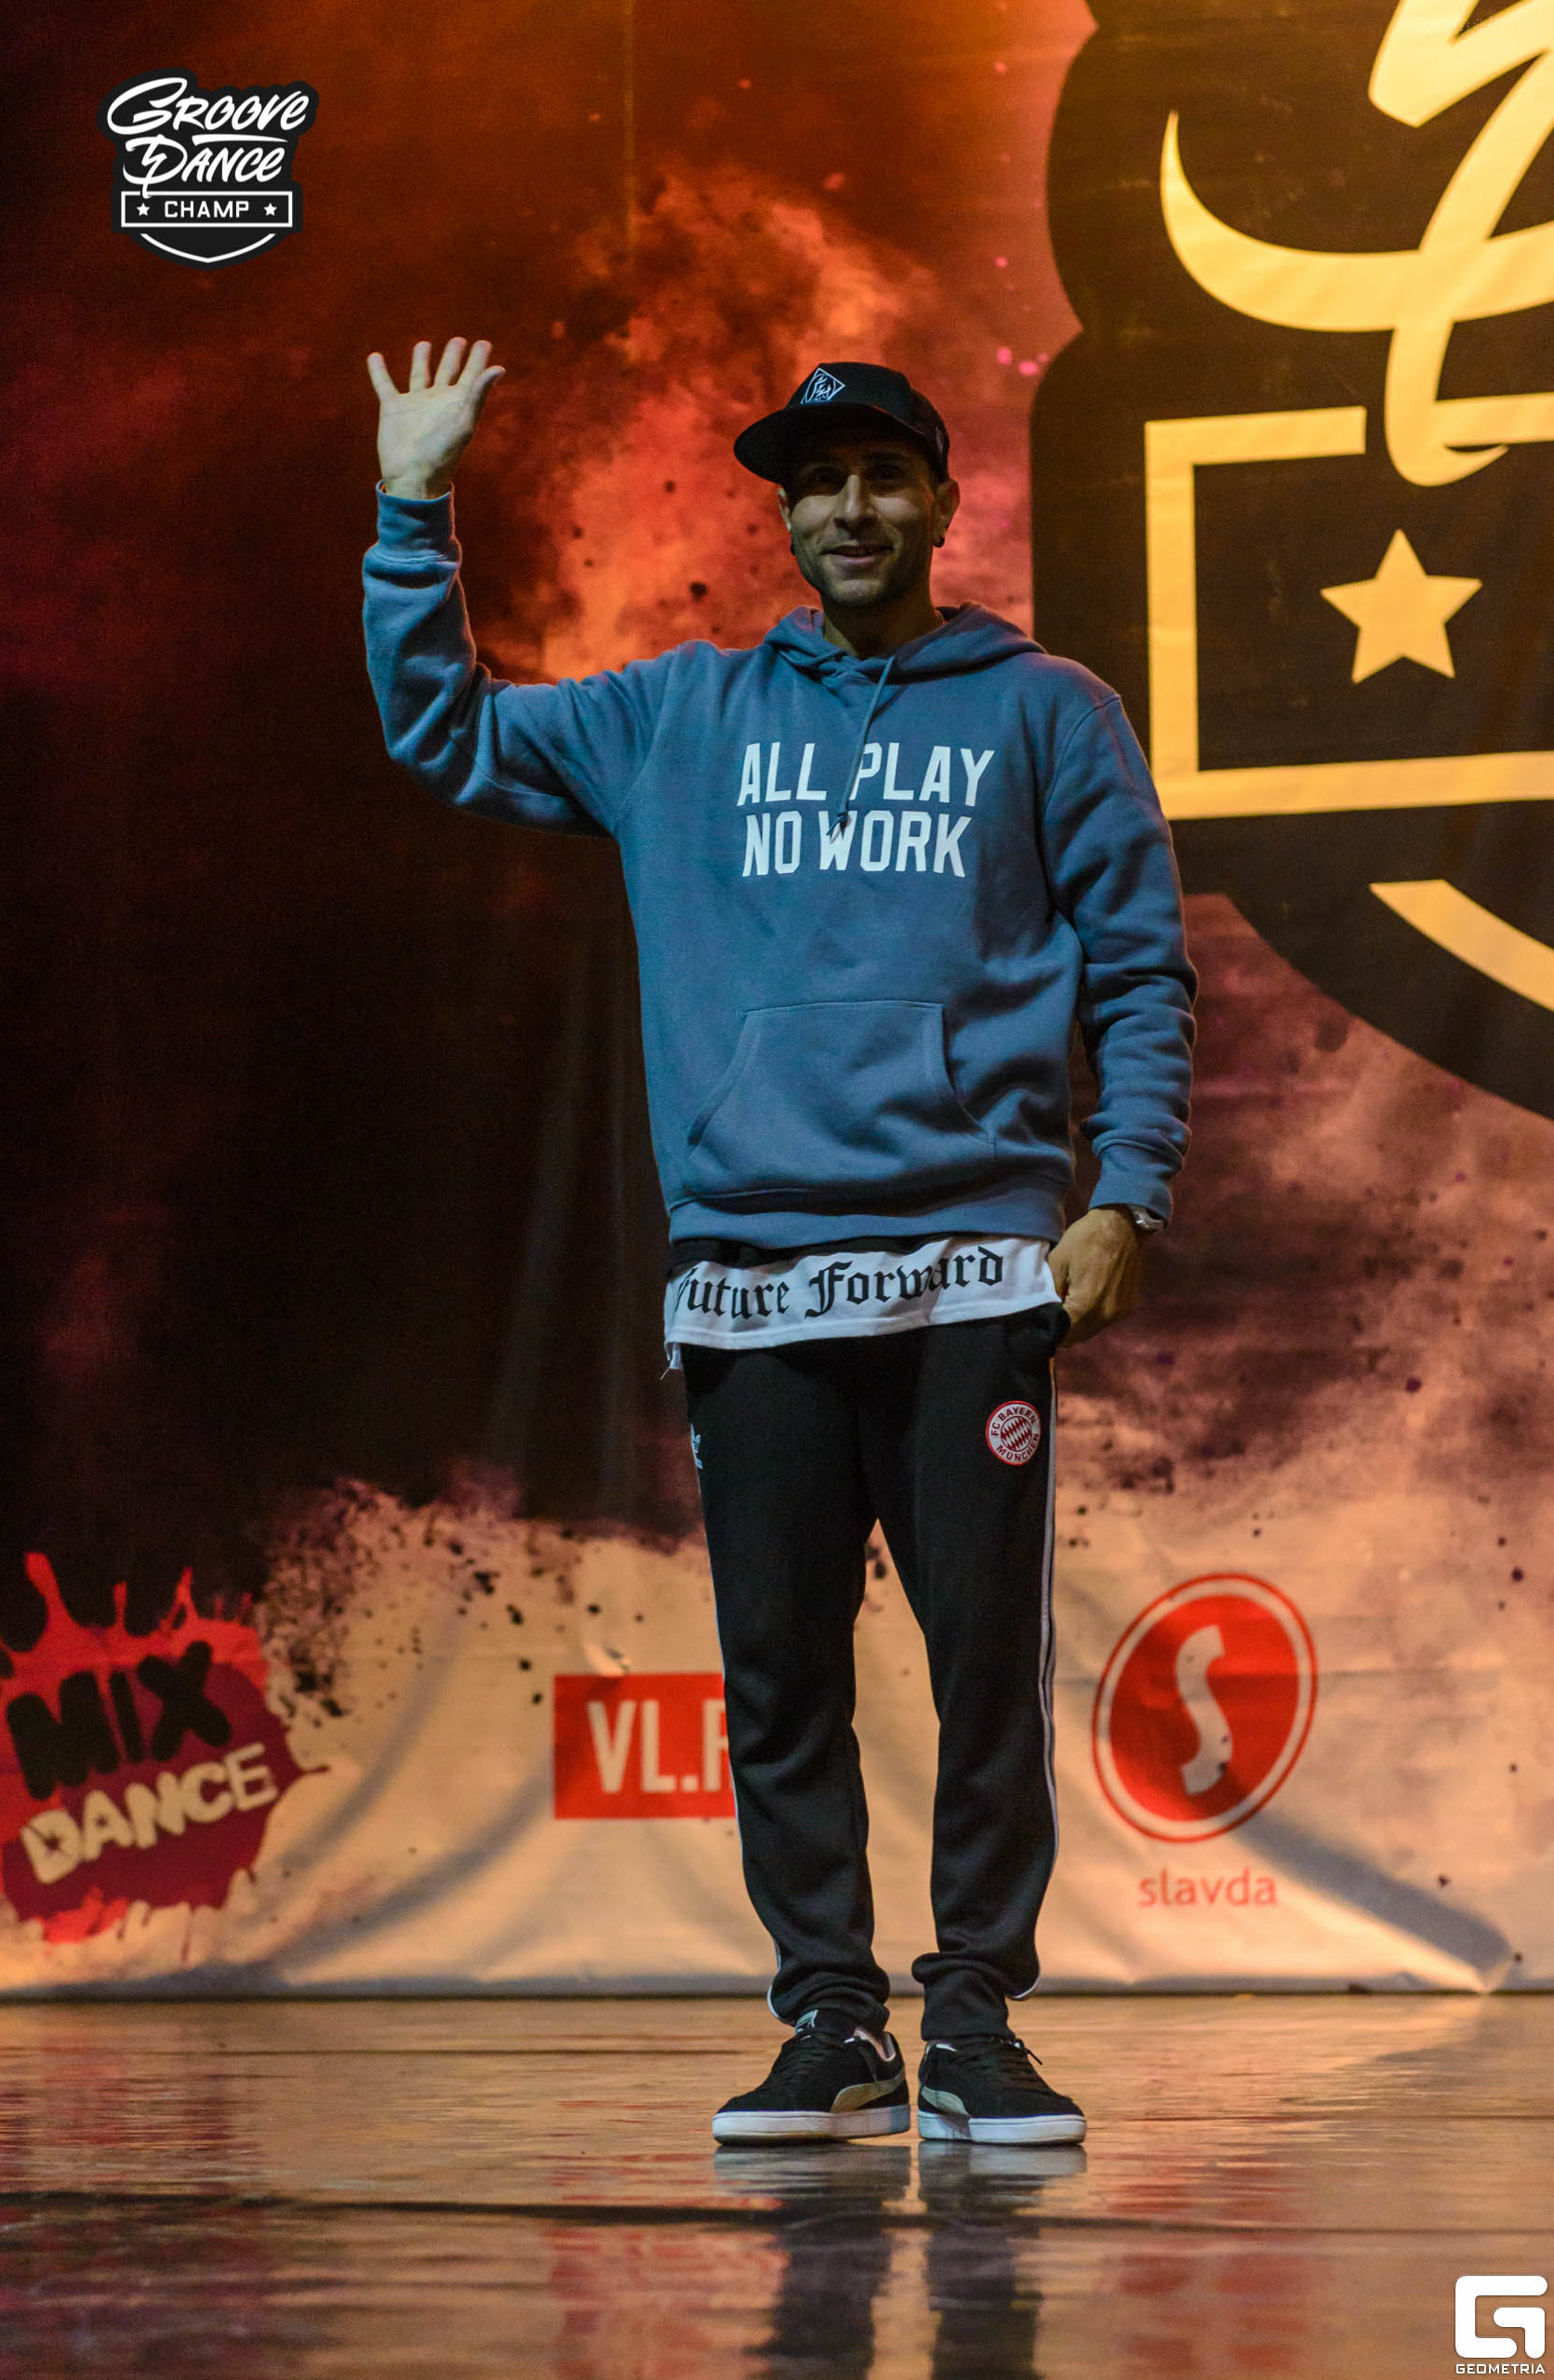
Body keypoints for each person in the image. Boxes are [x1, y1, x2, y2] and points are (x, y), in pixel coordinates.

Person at [362, 338, 1196, 2147]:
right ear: (788, 518)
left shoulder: (1047, 710)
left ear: (941, 499)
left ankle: (973, 2016)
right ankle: (830, 2014)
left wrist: (1124, 1192)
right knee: (778, 1671)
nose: (849, 508)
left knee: (983, 1667)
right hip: (751, 1274)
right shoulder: (682, 715)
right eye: (818, 483)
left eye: (882, 474)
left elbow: (1140, 971)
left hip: (974, 1262)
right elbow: (444, 730)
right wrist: (411, 505)